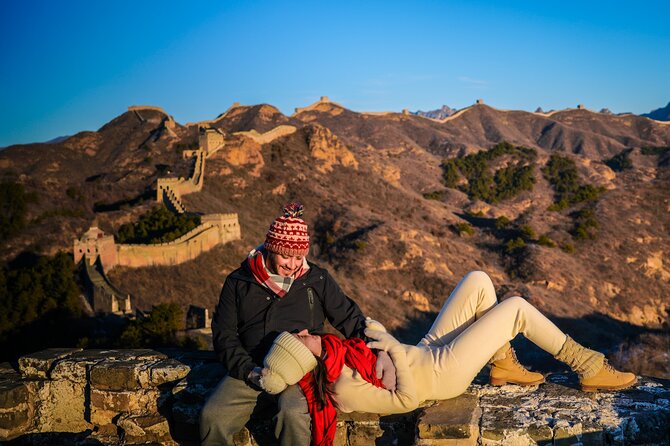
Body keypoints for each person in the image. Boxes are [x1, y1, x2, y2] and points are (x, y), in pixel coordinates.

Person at [260, 271, 637, 445]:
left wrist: (383, 339)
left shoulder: (338, 351)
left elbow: (384, 347)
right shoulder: (341, 387)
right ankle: (587, 365)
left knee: (478, 281)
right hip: (440, 375)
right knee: (517, 308)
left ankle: (502, 362)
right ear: (301, 359)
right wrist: (391, 347)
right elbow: (406, 400)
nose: (307, 331)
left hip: (425, 351)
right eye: (300, 339)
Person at [199, 203, 396, 446]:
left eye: (298, 257)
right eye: (285, 256)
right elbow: (224, 336)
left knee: (292, 414)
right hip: (252, 367)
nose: (292, 265)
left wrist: (380, 350)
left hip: (302, 370)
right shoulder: (239, 281)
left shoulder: (317, 279)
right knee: (213, 416)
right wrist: (251, 371)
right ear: (270, 249)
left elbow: (351, 319)